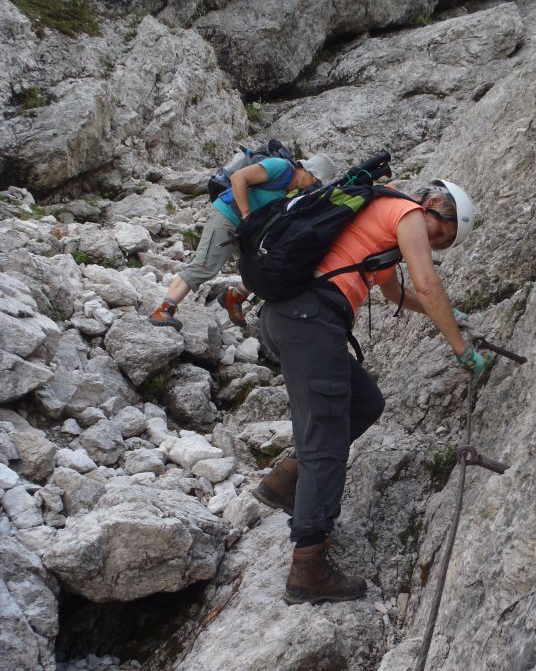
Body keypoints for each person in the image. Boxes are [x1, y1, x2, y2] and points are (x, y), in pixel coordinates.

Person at [254, 178, 487, 605]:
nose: (433, 242)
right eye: (441, 233)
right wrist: (459, 348)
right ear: (434, 204)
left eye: (442, 245)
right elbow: (428, 283)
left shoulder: (378, 220)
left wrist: (450, 315)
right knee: (324, 441)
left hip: (291, 317)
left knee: (365, 402)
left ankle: (286, 481)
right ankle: (308, 565)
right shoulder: (409, 214)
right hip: (309, 319)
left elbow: (400, 293)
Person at [148, 152, 337, 331]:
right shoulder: (279, 167)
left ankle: (234, 297)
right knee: (205, 265)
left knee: (267, 268)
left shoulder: (295, 193)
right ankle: (164, 310)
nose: (314, 185)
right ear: (308, 170)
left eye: (318, 184)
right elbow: (238, 178)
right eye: (316, 180)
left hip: (249, 229)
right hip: (228, 216)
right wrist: (246, 214)